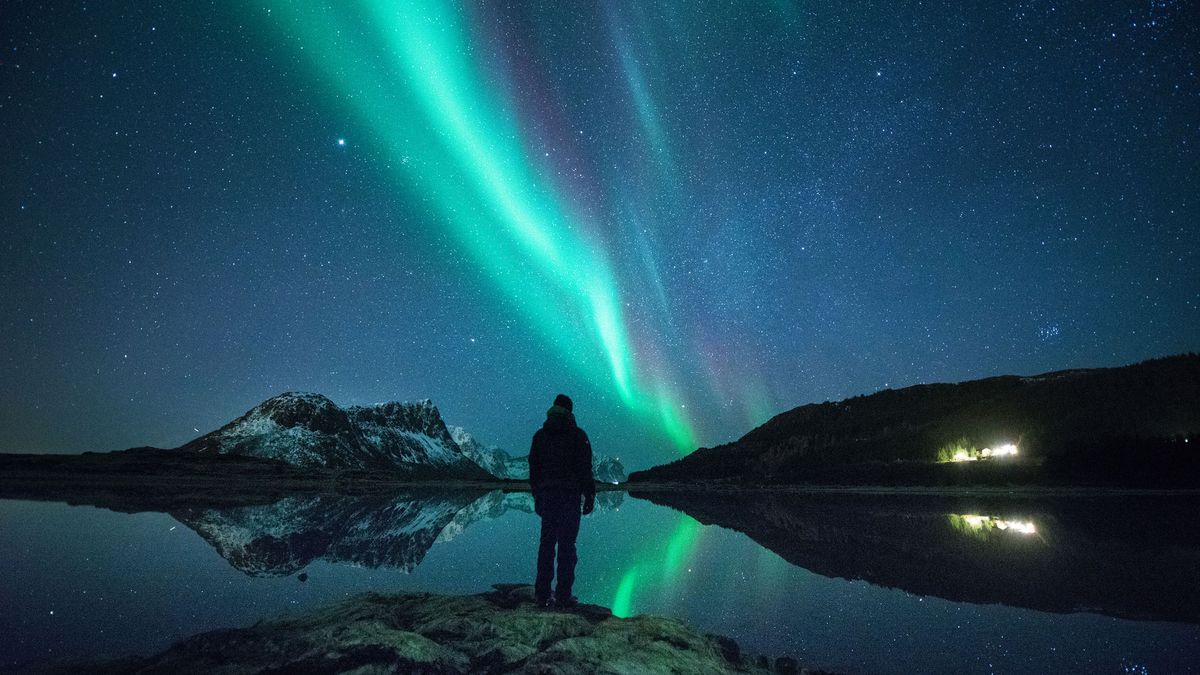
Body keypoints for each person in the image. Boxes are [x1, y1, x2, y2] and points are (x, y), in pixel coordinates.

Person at [529, 393, 595, 608]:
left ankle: (541, 595)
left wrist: (537, 495)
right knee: (567, 545)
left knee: (546, 544)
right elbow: (585, 468)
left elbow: (534, 469)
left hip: (548, 496)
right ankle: (563, 596)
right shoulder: (578, 435)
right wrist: (590, 495)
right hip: (570, 497)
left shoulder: (540, 436)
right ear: (570, 411)